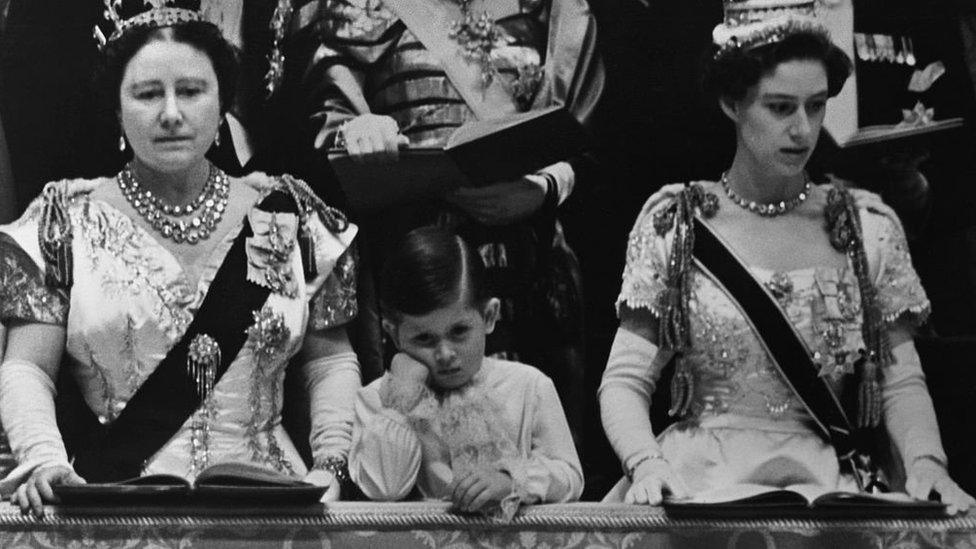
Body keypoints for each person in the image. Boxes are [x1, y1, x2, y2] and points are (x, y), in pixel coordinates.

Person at [599, 2, 975, 514]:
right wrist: (645, 463)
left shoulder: (864, 228)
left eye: (816, 106)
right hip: (696, 485)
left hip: (824, 488)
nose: (803, 129)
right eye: (780, 107)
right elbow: (624, 380)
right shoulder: (678, 224)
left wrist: (928, 463)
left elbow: (900, 379)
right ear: (733, 104)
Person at [0, 3, 360, 516]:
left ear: (221, 103)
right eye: (148, 94)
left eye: (191, 91)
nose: (171, 113)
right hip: (117, 503)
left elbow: (331, 363)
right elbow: (26, 368)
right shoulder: (64, 223)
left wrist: (332, 464)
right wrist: (43, 461)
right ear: (117, 110)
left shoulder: (289, 215)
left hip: (277, 508)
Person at [289, 0, 604, 439]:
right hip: (413, 260)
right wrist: (359, 131)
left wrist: (541, 189)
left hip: (526, 262)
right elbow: (328, 124)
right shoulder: (359, 7)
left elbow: (583, 135)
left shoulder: (551, 8)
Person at [349, 226, 582, 519]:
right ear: (394, 335)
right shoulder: (375, 400)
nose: (445, 354)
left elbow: (570, 476)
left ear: (489, 316)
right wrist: (400, 401)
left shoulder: (527, 385)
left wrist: (513, 481)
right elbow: (385, 489)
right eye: (424, 339)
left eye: (459, 331)